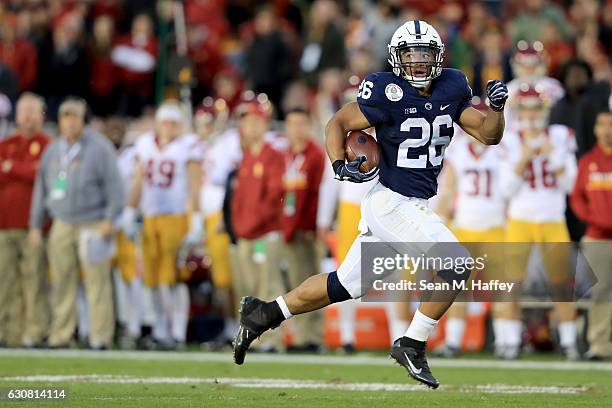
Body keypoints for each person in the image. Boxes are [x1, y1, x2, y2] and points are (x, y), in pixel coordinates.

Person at [233, 20, 508, 389]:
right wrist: (337, 163)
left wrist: (497, 109)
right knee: (455, 264)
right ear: (398, 58)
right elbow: (338, 122)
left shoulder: (453, 86)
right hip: (391, 202)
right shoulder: (386, 90)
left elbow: (488, 135)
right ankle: (412, 342)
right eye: (411, 55)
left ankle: (264, 313)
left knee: (343, 286)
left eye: (425, 54)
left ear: (438, 57)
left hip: (409, 204)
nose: (419, 63)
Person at [30, 97, 124, 349]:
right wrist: (35, 225)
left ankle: (100, 336)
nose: (70, 122)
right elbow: (42, 189)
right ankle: (61, 334)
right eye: (66, 117)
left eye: (75, 117)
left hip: (93, 222)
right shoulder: (53, 150)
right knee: (61, 281)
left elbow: (115, 187)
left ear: (84, 121)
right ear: (59, 121)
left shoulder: (100, 147)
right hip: (62, 222)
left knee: (97, 282)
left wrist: (109, 217)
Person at [499, 84, 579, 360]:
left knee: (561, 285)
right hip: (520, 218)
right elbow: (505, 190)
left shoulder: (560, 136)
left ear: (545, 109)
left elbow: (570, 184)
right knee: (512, 284)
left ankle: (569, 342)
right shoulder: (509, 140)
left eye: (536, 107)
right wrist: (523, 158)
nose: (532, 114)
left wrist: (551, 154)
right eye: (527, 108)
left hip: (552, 217)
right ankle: (509, 341)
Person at [125, 101, 203, 349]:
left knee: (174, 278)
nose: (168, 127)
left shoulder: (187, 146)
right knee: (153, 277)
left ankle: (177, 332)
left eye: (173, 123)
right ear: (158, 124)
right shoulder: (144, 144)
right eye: (165, 122)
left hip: (175, 216)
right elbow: (138, 181)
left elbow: (195, 185)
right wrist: (130, 209)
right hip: (150, 217)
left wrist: (196, 218)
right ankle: (160, 329)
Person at [433, 125, 506, 358]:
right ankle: (454, 341)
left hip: (495, 226)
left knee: (501, 288)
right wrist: (440, 220)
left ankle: (507, 341)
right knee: (457, 288)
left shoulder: (502, 148)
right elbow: (448, 189)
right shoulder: (458, 150)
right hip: (464, 226)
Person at [231, 98, 286, 352]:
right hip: (246, 234)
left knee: (269, 285)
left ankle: (273, 340)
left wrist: (250, 224)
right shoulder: (245, 157)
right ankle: (250, 336)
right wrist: (239, 226)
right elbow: (239, 198)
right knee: (247, 287)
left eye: (255, 121)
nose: (249, 127)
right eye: (246, 122)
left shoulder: (272, 156)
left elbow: (274, 196)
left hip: (265, 234)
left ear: (264, 125)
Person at [0, 93, 50, 347]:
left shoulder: (49, 144)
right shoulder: (6, 143)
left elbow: (41, 174)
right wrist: (25, 170)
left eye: (32, 110)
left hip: (34, 226)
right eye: (23, 110)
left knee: (34, 281)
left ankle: (34, 332)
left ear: (41, 114)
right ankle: (8, 334)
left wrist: (12, 168)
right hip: (4, 224)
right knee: (4, 282)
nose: (27, 115)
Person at [281, 108, 326, 352]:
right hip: (287, 228)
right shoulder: (286, 154)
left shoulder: (315, 155)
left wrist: (313, 225)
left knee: (309, 284)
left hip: (306, 230)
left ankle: (312, 337)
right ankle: (299, 336)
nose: (296, 129)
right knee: (293, 284)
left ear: (308, 126)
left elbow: (319, 193)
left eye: (301, 123)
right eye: (291, 123)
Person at [570, 110, 612, 361]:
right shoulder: (588, 161)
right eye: (603, 124)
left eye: (611, 124)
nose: (607, 130)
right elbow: (577, 197)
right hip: (597, 237)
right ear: (595, 129)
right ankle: (600, 345)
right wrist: (593, 219)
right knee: (601, 292)